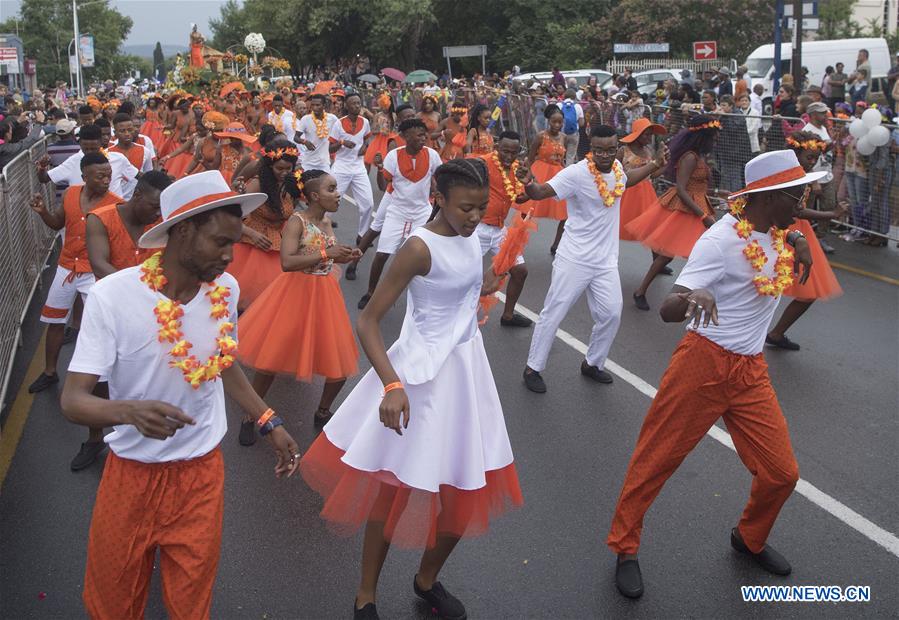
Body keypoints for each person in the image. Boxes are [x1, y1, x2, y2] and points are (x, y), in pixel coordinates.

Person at [59, 169, 302, 619]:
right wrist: (128, 411)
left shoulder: (224, 291)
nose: (231, 257)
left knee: (191, 603)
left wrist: (268, 419)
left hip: (201, 474)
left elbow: (222, 364)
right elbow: (74, 400)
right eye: (221, 243)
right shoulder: (113, 297)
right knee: (113, 600)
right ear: (183, 231)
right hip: (130, 475)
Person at [300, 159, 522, 620]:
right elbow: (368, 321)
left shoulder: (472, 238)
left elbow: (459, 293)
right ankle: (365, 595)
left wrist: (486, 283)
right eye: (466, 208)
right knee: (391, 488)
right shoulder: (418, 248)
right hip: (417, 377)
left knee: (464, 484)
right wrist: (392, 385)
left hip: (465, 373)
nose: (475, 217)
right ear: (437, 199)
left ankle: (426, 580)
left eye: (481, 208)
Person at [606, 149, 822, 599]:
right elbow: (668, 309)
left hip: (750, 371)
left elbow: (790, 231)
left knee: (781, 474)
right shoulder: (721, 240)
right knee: (656, 459)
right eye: (795, 193)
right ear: (767, 197)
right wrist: (692, 297)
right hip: (703, 363)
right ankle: (625, 547)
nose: (802, 200)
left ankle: (749, 538)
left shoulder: (780, 229)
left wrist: (799, 237)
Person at [521, 126, 667, 393]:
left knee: (611, 314)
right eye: (598, 150)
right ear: (592, 149)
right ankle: (533, 367)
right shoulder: (577, 173)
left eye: (610, 150)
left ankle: (592, 363)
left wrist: (655, 164)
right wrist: (528, 183)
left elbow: (628, 180)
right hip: (573, 258)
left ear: (616, 149)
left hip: (605, 261)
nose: (604, 155)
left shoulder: (618, 169)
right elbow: (542, 192)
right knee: (553, 313)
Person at [237, 170, 360, 440]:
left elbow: (326, 259)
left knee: (337, 360)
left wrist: (345, 256)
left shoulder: (327, 222)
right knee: (271, 360)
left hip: (325, 294)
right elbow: (288, 262)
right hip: (294, 293)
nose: (338, 194)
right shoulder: (297, 221)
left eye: (337, 188)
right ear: (315, 196)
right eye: (331, 189)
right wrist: (328, 252)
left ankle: (323, 411)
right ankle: (252, 414)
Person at [27, 153, 122, 394]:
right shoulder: (71, 194)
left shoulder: (117, 204)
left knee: (100, 328)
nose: (106, 180)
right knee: (55, 321)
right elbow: (57, 224)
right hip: (66, 267)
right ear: (84, 177)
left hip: (93, 274)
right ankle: (49, 372)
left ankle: (101, 381)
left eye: (108, 175)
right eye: (100, 176)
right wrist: (42, 212)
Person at [627, 116, 724, 311]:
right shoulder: (689, 157)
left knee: (702, 255)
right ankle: (640, 291)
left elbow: (700, 187)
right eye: (712, 137)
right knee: (667, 255)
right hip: (685, 209)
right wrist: (703, 216)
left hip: (697, 208)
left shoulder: (699, 156)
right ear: (702, 137)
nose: (715, 141)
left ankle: (699, 296)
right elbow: (681, 189)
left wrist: (719, 194)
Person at [765, 133, 847, 351]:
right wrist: (831, 214)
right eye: (809, 158)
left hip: (800, 232)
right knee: (766, 283)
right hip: (786, 231)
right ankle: (761, 331)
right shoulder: (790, 177)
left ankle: (775, 333)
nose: (812, 163)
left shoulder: (801, 174)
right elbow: (797, 211)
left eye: (815, 158)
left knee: (806, 290)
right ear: (795, 154)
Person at [357, 118, 441, 310]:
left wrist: (438, 196)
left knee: (425, 257)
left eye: (424, 134)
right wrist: (379, 168)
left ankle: (424, 300)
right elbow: (382, 185)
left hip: (422, 213)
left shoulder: (433, 155)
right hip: (397, 212)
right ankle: (371, 293)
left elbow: (439, 179)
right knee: (381, 255)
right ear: (405, 136)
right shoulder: (393, 156)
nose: (423, 138)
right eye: (419, 134)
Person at [226, 137, 299, 312]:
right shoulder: (258, 184)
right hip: (250, 246)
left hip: (277, 246)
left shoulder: (292, 185)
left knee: (273, 305)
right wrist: (252, 234)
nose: (284, 173)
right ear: (269, 167)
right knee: (243, 303)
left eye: (288, 169)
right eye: (279, 168)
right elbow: (231, 216)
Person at [477, 130, 533, 327]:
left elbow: (519, 197)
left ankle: (508, 315)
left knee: (520, 271)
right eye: (505, 152)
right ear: (497, 147)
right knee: (465, 275)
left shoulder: (517, 169)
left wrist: (529, 184)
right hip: (477, 229)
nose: (509, 157)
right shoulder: (482, 163)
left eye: (514, 152)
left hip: (500, 231)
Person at [329, 91, 374, 280]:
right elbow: (329, 148)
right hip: (341, 166)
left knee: (369, 205)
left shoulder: (365, 122)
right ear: (347, 106)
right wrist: (340, 142)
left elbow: (368, 139)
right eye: (353, 103)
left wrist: (366, 146)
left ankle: (362, 235)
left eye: (358, 102)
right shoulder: (339, 124)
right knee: (330, 203)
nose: (357, 106)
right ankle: (324, 236)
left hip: (358, 167)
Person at [37, 124, 138, 199]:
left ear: (101, 142)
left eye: (93, 148)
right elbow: (44, 178)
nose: (89, 152)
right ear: (80, 143)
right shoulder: (72, 162)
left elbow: (139, 177)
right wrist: (42, 167)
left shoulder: (118, 159)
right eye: (86, 148)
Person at [618, 118, 668, 258]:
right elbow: (615, 174)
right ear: (637, 134)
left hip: (646, 194)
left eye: (651, 134)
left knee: (653, 226)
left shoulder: (648, 151)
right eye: (646, 134)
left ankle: (657, 260)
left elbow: (652, 175)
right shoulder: (623, 151)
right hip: (627, 194)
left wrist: (665, 165)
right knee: (615, 224)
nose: (649, 137)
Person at [525, 104, 569, 253]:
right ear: (548, 121)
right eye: (554, 122)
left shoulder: (564, 137)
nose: (557, 125)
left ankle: (557, 244)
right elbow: (530, 158)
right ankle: (517, 238)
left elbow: (562, 160)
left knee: (566, 214)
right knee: (528, 210)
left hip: (558, 177)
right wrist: (529, 176)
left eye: (560, 122)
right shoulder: (540, 136)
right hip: (540, 173)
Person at [801, 102, 837, 253]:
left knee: (829, 205)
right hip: (813, 178)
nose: (825, 115)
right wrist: (814, 181)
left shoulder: (823, 128)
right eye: (822, 113)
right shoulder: (807, 131)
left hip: (827, 175)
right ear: (813, 114)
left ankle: (821, 237)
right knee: (807, 210)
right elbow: (807, 159)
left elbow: (824, 151)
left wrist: (833, 141)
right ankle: (804, 239)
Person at [296, 94, 338, 172]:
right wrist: (305, 142)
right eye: (313, 105)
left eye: (318, 105)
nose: (315, 108)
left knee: (327, 183)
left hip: (324, 163)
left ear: (324, 105)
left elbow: (340, 133)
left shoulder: (332, 119)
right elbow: (296, 137)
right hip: (308, 162)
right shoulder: (305, 119)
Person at [559, 89, 584, 165]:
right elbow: (581, 123)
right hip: (573, 134)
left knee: (560, 154)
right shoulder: (578, 106)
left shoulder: (559, 105)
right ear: (574, 97)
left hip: (560, 134)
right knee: (570, 155)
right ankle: (568, 172)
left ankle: (559, 171)